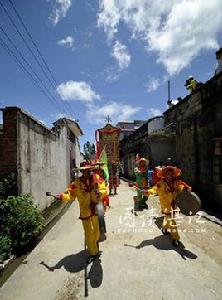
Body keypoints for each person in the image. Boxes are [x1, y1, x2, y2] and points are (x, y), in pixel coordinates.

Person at [57, 161, 107, 264]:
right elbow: (71, 194)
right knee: (88, 232)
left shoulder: (97, 178)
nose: (86, 173)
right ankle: (93, 252)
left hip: (96, 208)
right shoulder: (76, 183)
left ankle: (95, 241)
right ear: (81, 172)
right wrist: (62, 197)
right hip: (84, 211)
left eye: (87, 170)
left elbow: (104, 189)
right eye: (83, 171)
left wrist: (100, 193)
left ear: (90, 170)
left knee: (96, 231)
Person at [148, 165, 191, 247]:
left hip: (174, 204)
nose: (169, 176)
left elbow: (181, 187)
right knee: (172, 221)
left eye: (171, 174)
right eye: (167, 174)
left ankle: (164, 228)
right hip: (166, 205)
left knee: (168, 218)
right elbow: (154, 189)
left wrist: (185, 188)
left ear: (173, 175)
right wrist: (147, 192)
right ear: (164, 175)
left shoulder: (176, 183)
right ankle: (175, 238)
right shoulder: (160, 184)